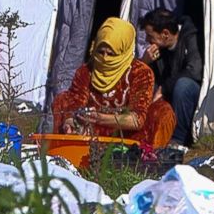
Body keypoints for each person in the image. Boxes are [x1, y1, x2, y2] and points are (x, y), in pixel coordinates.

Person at [52, 17, 176, 148]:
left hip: (127, 135)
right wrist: (70, 121)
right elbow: (75, 103)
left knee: (163, 111)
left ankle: (148, 160)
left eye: (111, 54)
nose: (104, 59)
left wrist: (99, 118)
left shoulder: (140, 72)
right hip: (91, 131)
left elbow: (137, 120)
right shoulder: (86, 71)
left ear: (123, 52)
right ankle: (66, 151)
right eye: (101, 52)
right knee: (61, 100)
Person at [140, 8, 202, 148]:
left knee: (183, 85)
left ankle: (177, 142)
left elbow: (195, 70)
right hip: (169, 96)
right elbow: (147, 80)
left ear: (165, 34)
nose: (147, 40)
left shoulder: (190, 37)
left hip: (192, 96)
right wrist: (144, 63)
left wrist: (164, 88)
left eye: (150, 36)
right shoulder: (157, 51)